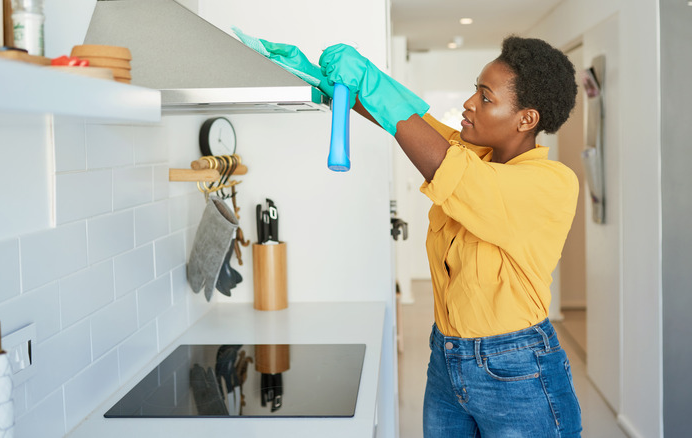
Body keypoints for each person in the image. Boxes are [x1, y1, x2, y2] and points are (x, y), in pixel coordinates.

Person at [248, 34, 581, 437]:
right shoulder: (473, 152)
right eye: (474, 90)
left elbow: (446, 167)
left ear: (526, 119)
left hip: (517, 369)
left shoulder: (551, 183)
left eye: (485, 97)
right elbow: (409, 118)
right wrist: (327, 81)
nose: (469, 103)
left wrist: (368, 82)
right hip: (447, 357)